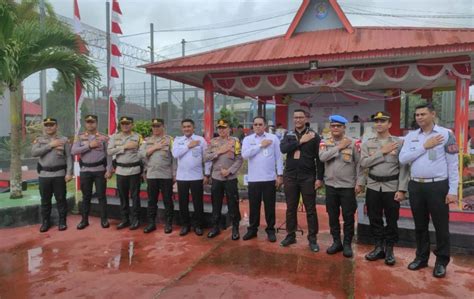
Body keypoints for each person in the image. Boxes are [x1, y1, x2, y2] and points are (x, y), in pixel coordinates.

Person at [399, 103, 459, 278]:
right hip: (416, 185)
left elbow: (453, 165)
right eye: (417, 115)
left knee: (441, 226)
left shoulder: (446, 134)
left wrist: (452, 190)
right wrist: (424, 146)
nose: (419, 117)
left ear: (433, 114)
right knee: (420, 225)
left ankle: (441, 261)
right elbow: (403, 159)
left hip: (438, 186)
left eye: (423, 114)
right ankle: (421, 257)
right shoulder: (411, 136)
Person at [360, 111, 409, 265]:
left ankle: (389, 248)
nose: (379, 124)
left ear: (389, 124)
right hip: (374, 186)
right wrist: (382, 152)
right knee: (374, 218)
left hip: (391, 187)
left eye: (383, 121)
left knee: (392, 219)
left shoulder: (399, 143)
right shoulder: (368, 143)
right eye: (377, 121)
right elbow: (364, 163)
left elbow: (404, 168)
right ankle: (378, 246)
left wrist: (402, 189)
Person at [319, 115, 364, 258]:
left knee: (348, 216)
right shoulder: (325, 142)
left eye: (339, 126)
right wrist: (339, 147)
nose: (335, 128)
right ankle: (336, 242)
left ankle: (347, 244)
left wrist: (359, 182)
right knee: (332, 216)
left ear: (344, 128)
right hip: (331, 186)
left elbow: (360, 165)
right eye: (333, 126)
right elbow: (322, 158)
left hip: (348, 186)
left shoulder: (354, 143)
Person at [279, 109, 324, 252]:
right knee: (290, 208)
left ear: (306, 119)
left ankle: (312, 239)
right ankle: (290, 235)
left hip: (308, 177)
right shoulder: (288, 134)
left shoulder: (314, 136)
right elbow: (283, 149)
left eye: (300, 117)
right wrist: (299, 142)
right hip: (291, 176)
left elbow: (320, 159)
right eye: (295, 117)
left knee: (310, 209)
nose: (298, 120)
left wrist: (320, 178)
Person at [241, 116, 283, 242]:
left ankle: (270, 230)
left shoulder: (273, 138)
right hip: (254, 179)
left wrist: (279, 175)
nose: (258, 126)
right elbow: (245, 155)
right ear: (252, 126)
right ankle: (252, 230)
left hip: (269, 179)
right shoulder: (248, 139)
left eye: (260, 124)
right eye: (255, 124)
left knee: (270, 207)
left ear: (265, 126)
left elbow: (279, 157)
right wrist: (260, 145)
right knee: (254, 206)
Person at [32, 118, 73, 232]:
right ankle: (46, 222)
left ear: (56, 126)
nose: (49, 127)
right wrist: (50, 145)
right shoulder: (39, 140)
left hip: (59, 174)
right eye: (46, 125)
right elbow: (34, 153)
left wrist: (69, 173)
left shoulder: (64, 140)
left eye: (51, 125)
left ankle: (62, 221)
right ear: (44, 127)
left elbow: (69, 157)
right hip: (44, 175)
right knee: (45, 200)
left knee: (61, 199)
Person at [71, 115, 112, 230]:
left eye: (92, 122)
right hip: (85, 171)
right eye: (88, 122)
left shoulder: (104, 138)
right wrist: (89, 146)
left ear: (96, 123)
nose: (90, 124)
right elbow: (73, 151)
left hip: (100, 170)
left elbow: (108, 154)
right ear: (85, 124)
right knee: (86, 196)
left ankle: (104, 219)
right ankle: (84, 220)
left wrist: (109, 169)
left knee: (101, 196)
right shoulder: (79, 137)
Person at [204, 119, 243, 240]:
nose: (221, 130)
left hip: (230, 178)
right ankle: (215, 227)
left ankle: (235, 227)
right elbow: (206, 157)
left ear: (229, 129)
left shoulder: (235, 141)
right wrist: (218, 152)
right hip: (216, 177)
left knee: (233, 203)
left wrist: (230, 171)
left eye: (224, 128)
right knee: (216, 203)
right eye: (219, 128)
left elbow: (239, 159)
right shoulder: (213, 142)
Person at [172, 119, 211, 237]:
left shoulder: (201, 140)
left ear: (193, 128)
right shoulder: (178, 140)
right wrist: (188, 146)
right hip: (182, 177)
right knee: (183, 202)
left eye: (189, 126)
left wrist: (207, 174)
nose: (186, 129)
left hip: (197, 176)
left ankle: (198, 225)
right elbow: (175, 154)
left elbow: (207, 158)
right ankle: (185, 225)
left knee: (198, 202)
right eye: (184, 127)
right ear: (182, 128)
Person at [139, 118, 176, 234]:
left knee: (167, 200)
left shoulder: (170, 140)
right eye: (154, 126)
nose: (155, 128)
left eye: (158, 126)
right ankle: (151, 223)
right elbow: (140, 154)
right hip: (152, 174)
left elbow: (175, 158)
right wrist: (154, 147)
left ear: (163, 126)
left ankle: (168, 223)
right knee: (151, 201)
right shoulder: (147, 141)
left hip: (166, 175)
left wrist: (174, 173)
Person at [107, 116, 143, 230]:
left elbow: (142, 153)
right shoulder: (114, 137)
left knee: (135, 197)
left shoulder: (138, 137)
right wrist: (124, 147)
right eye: (123, 124)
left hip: (134, 170)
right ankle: (125, 219)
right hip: (121, 171)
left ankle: (136, 220)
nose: (125, 125)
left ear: (132, 125)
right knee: (122, 197)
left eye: (128, 123)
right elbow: (109, 151)